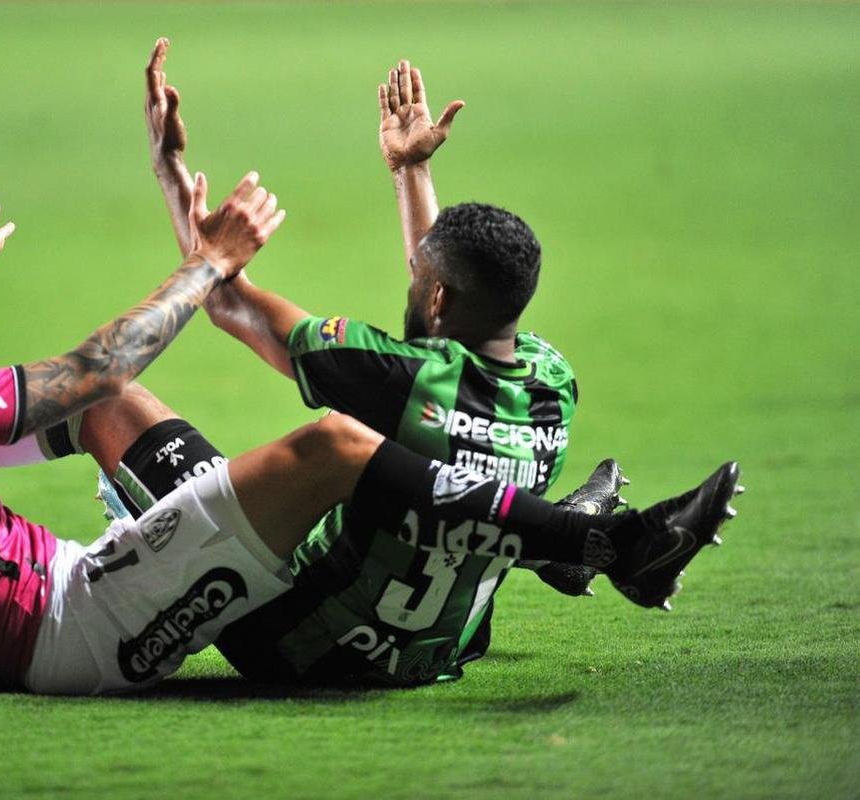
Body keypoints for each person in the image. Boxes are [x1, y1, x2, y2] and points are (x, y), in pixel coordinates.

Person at [0, 165, 739, 695]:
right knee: (335, 446)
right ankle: (604, 544)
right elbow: (97, 362)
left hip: (41, 620)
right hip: (80, 626)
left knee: (100, 413)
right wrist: (208, 257)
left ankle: (551, 538)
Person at [80, 41, 624, 685]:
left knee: (106, 399)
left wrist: (168, 166)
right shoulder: (551, 385)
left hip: (294, 643)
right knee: (456, 482)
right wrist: (409, 171)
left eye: (421, 275)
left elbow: (226, 300)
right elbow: (442, 323)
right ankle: (558, 537)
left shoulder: (395, 378)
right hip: (435, 655)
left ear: (439, 295)